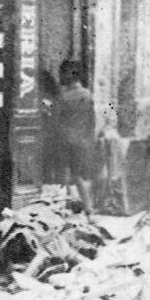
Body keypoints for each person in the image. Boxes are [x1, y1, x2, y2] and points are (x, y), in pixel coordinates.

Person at [52, 60, 96, 214]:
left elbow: (56, 120)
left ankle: (65, 210)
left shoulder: (64, 96)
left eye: (63, 73)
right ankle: (89, 211)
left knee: (64, 176)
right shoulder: (87, 95)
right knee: (79, 177)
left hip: (64, 139)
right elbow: (92, 121)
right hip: (82, 140)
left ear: (68, 75)